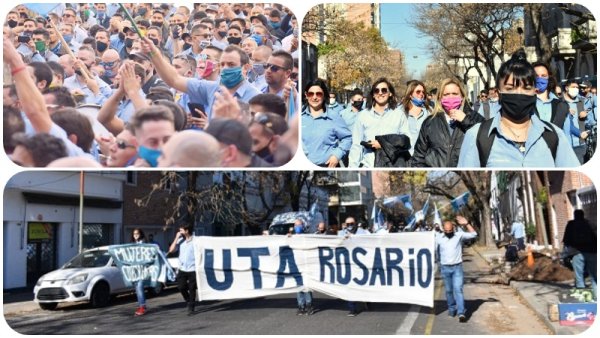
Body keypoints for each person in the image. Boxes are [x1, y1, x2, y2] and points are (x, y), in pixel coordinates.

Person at [457, 50, 579, 167]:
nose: (519, 94)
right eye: (510, 88)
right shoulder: (476, 136)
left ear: (534, 92)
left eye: (526, 88)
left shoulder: (554, 135)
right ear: (498, 93)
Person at [411, 78, 484, 167]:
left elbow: (486, 142)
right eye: (446, 94)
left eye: (455, 94)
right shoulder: (430, 122)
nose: (451, 97)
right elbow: (418, 158)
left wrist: (466, 121)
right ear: (440, 98)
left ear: (462, 96)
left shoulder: (475, 118)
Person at [349, 78, 410, 168]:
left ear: (390, 93)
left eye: (384, 90)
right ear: (373, 95)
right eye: (376, 90)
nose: (380, 93)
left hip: (393, 165)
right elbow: (356, 145)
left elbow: (406, 141)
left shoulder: (399, 115)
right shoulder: (362, 116)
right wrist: (352, 168)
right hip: (369, 166)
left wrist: (383, 144)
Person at [435, 215, 477, 322]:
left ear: (453, 228)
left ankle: (461, 312)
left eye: (450, 230)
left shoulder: (459, 235)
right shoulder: (438, 238)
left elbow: (474, 234)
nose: (448, 232)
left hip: (457, 267)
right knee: (449, 291)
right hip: (445, 268)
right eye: (446, 230)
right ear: (443, 229)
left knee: (458, 289)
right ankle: (452, 309)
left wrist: (466, 224)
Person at [301, 79, 351, 167]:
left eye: (319, 94)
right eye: (311, 94)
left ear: (324, 96)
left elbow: (348, 138)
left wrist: (337, 155)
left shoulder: (334, 117)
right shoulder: (299, 117)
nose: (314, 97)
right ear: (306, 95)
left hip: (326, 166)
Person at [563, 210, 597, 296]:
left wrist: (566, 253)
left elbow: (566, 240)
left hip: (577, 253)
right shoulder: (591, 224)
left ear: (574, 216)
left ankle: (583, 298)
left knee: (579, 276)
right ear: (583, 215)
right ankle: (597, 296)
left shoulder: (571, 225)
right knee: (594, 277)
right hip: (592, 252)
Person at [168, 224, 197, 315]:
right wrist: (176, 238)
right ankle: (188, 300)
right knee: (181, 287)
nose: (179, 232)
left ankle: (191, 307)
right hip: (182, 268)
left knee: (192, 288)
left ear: (186, 230)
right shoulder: (180, 241)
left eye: (181, 230)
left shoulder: (195, 240)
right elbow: (171, 250)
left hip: (193, 268)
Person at [290, 219, 314, 316]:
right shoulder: (292, 237)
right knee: (299, 287)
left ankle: (309, 305)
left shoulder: (307, 236)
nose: (297, 227)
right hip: (297, 265)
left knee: (307, 286)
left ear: (303, 226)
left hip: (306, 265)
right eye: (296, 225)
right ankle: (301, 306)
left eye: (299, 225)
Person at [400, 80, 430, 155]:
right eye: (418, 92)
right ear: (410, 94)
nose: (421, 94)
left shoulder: (429, 112)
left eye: (423, 92)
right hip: (405, 156)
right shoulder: (400, 112)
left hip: (424, 157)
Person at [131, 228, 148, 316]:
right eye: (134, 234)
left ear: (140, 234)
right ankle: (141, 305)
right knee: (137, 288)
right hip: (135, 270)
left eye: (137, 233)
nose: (135, 235)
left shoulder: (144, 244)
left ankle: (142, 306)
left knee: (140, 287)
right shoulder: (133, 245)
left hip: (143, 270)